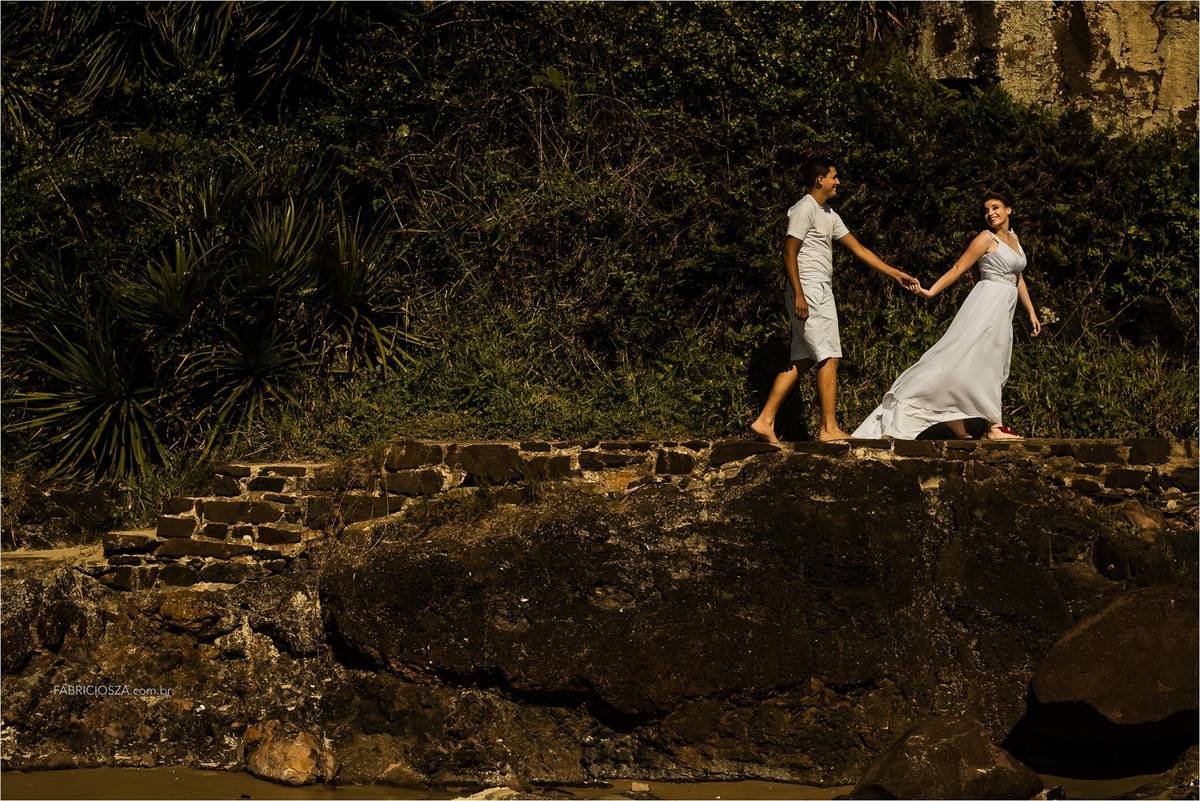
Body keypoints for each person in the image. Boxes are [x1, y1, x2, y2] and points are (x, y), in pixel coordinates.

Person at [750, 158, 918, 443]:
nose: (838, 182)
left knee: (801, 360)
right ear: (820, 180)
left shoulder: (828, 213)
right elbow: (789, 252)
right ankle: (829, 428)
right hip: (811, 289)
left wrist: (894, 274)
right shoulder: (805, 209)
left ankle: (765, 420)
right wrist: (800, 293)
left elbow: (859, 249)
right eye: (834, 177)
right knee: (829, 355)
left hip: (818, 289)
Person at [852, 191, 1041, 441]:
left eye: (995, 207)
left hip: (1004, 308)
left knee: (990, 361)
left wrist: (1031, 311)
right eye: (986, 210)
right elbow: (958, 268)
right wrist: (931, 292)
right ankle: (993, 427)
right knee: (966, 356)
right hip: (986, 303)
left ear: (1009, 210)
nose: (990, 213)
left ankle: (957, 420)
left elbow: (1017, 277)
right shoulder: (986, 238)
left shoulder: (1014, 239)